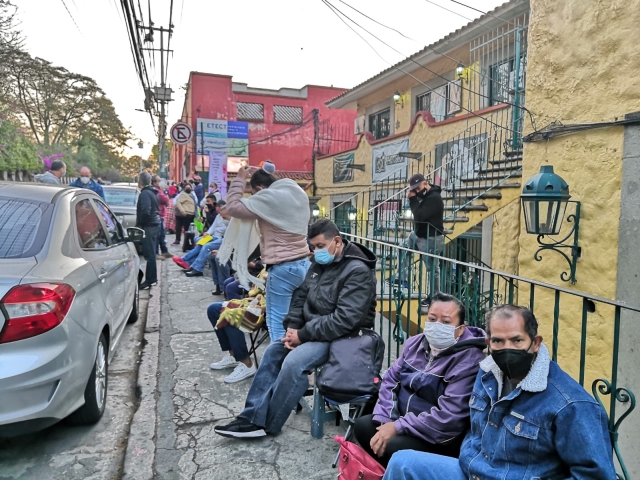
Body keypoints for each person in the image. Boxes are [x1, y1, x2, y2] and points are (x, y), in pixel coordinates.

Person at [383, 304, 617, 480]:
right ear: (488, 342)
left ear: (535, 343)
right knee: (402, 462)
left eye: (516, 341)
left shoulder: (570, 404)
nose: (507, 349)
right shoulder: (486, 376)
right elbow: (474, 435)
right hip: (471, 471)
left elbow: (595, 475)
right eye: (498, 341)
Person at [214, 219, 378, 439]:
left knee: (294, 362)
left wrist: (302, 335)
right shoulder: (320, 264)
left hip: (345, 337)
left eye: (320, 246)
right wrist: (292, 327)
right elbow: (301, 296)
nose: (316, 252)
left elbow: (345, 319)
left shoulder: (357, 271)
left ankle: (268, 424)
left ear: (336, 241)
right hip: (314, 330)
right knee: (274, 350)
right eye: (314, 247)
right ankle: (251, 417)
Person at [354, 293, 486, 467]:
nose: (437, 326)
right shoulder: (415, 344)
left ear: (461, 329)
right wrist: (387, 420)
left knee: (395, 447)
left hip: (437, 435)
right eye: (432, 319)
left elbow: (448, 416)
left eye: (446, 322)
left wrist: (397, 427)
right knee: (364, 426)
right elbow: (391, 380)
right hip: (402, 421)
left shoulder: (468, 361)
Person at [220, 166, 311, 342]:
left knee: (277, 327)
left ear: (260, 189)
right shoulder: (296, 193)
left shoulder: (269, 198)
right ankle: (295, 364)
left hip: (283, 268)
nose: (255, 198)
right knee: (296, 323)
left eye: (254, 194)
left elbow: (232, 207)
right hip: (304, 265)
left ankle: (278, 366)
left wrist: (239, 179)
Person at [397, 173, 444, 297]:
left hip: (431, 237)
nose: (418, 191)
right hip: (418, 234)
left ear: (426, 183)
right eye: (415, 189)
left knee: (432, 269)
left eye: (419, 187)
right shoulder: (423, 196)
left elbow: (419, 216)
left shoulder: (434, 198)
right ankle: (402, 278)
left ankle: (434, 296)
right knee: (402, 248)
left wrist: (412, 199)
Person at [173, 201, 229, 277]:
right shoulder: (219, 216)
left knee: (206, 246)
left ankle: (195, 266)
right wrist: (208, 233)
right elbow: (213, 226)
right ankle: (188, 263)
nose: (218, 208)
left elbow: (226, 231)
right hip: (214, 236)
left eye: (220, 206)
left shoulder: (231, 218)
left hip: (222, 238)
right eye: (217, 206)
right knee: (199, 242)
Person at [136, 171, 161, 290]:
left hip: (149, 225)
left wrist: (141, 224)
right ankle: (152, 278)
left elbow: (145, 210)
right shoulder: (153, 192)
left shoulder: (145, 193)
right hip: (154, 224)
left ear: (140, 181)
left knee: (149, 254)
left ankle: (150, 279)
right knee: (150, 253)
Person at [152, 175, 172, 259]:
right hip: (158, 215)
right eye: (159, 181)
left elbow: (166, 201)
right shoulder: (156, 191)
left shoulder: (159, 190)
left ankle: (164, 251)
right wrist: (166, 198)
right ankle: (157, 253)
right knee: (158, 235)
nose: (161, 182)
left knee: (162, 235)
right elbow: (165, 200)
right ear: (154, 182)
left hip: (160, 215)